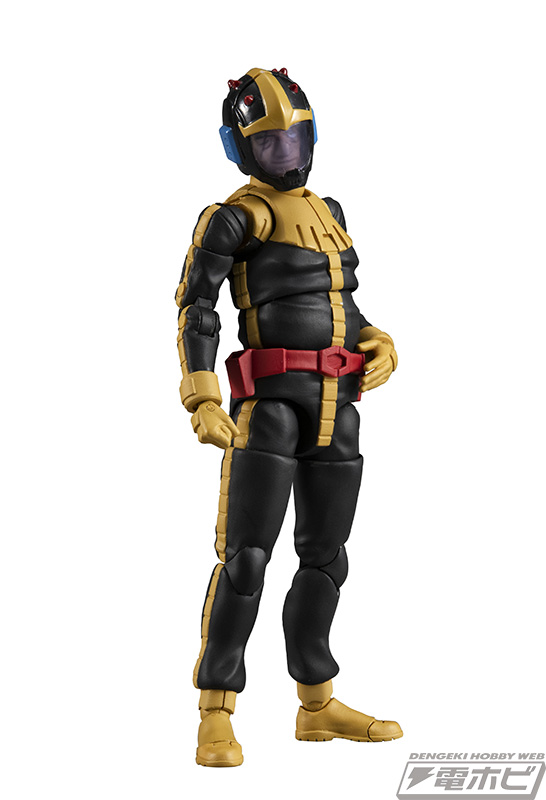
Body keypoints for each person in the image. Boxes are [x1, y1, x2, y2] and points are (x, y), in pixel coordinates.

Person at [175, 67, 402, 767]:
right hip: (268, 410)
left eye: (294, 139)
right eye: (269, 142)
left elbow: (339, 302)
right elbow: (197, 306)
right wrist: (201, 394)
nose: (285, 153)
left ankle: (316, 702)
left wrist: (375, 339)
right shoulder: (234, 217)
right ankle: (216, 711)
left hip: (338, 406)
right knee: (246, 558)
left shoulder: (329, 212)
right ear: (240, 147)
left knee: (326, 560)